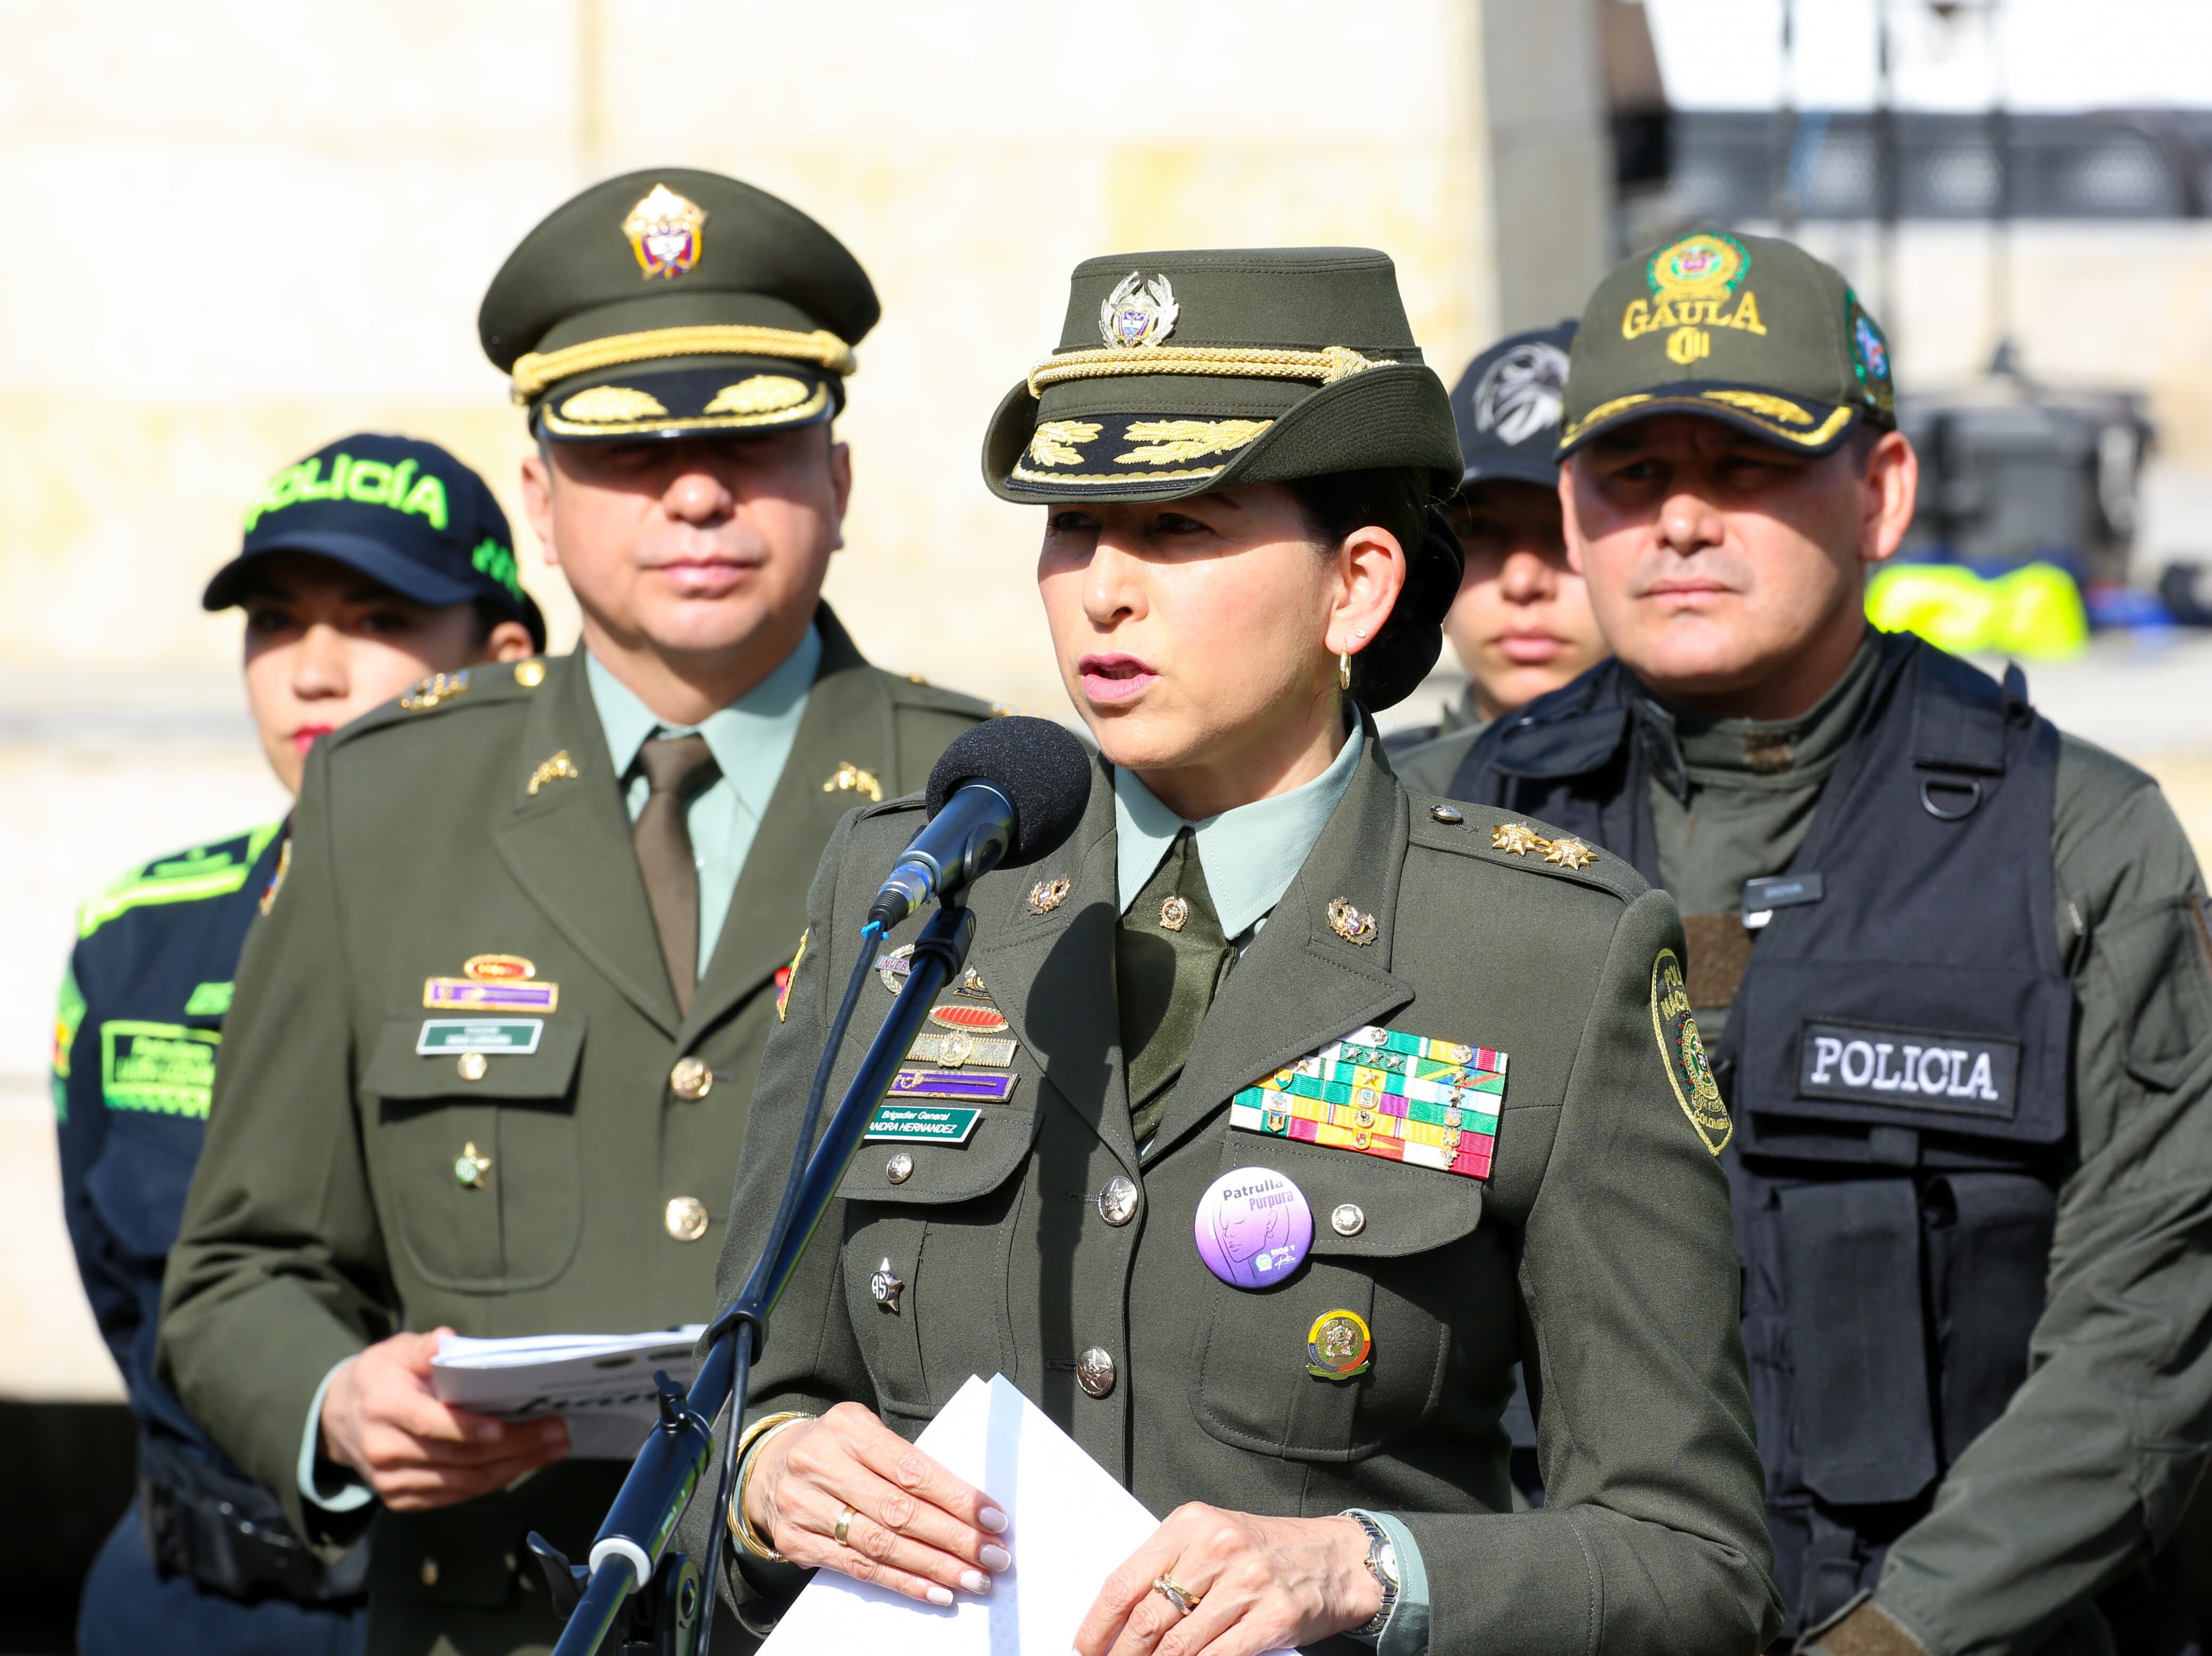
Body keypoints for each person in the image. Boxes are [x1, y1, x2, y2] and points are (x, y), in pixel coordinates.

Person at [683, 246, 1781, 1655]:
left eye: (1180, 528)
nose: (1102, 590)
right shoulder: (918, 892)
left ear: (1356, 587)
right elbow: (730, 1411)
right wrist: (767, 1473)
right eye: (1074, 525)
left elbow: (1696, 1566)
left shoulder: (1547, 954)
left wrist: (1372, 1571)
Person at [159, 170, 995, 1656]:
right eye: (628, 451)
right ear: (539, 502)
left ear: (838, 478)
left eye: (749, 439)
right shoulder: (385, 800)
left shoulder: (988, 804)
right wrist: (335, 1402)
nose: (695, 493)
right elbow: (241, 1270)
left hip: (865, 1616)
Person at [1447, 229, 2212, 1655]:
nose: (1681, 522)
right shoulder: (1445, 828)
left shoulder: (2078, 846)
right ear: (1571, 511)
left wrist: (1897, 1639)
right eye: (1633, 476)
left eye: (1745, 468)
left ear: (1882, 492)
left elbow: (2151, 1332)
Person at [55, 433, 542, 1656]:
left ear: (505, 661)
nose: (313, 673)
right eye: (274, 620)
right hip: (184, 1605)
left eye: (380, 619)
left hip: (473, 1613)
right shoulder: (138, 940)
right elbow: (129, 1294)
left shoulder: (593, 946)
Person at [1388, 323, 1607, 791]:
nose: (1523, 581)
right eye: (1478, 529)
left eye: (1566, 531)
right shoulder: (1368, 797)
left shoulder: (1721, 792)